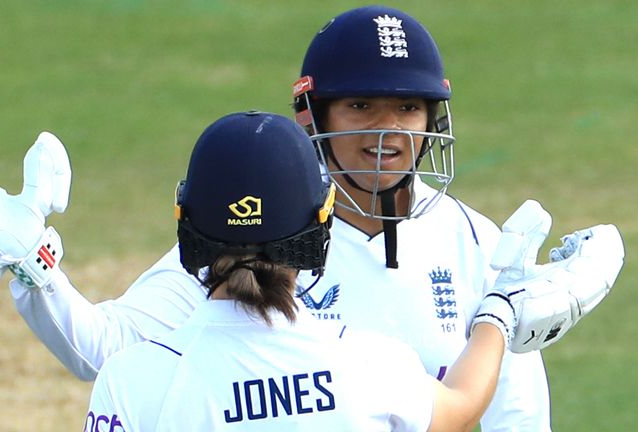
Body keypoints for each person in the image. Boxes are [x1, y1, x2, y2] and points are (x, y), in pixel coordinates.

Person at [0, 6, 625, 432]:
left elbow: (516, 415)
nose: (389, 132)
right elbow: (105, 345)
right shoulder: (254, 240)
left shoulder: (483, 246)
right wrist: (35, 270)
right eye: (361, 108)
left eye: (408, 110)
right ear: (310, 116)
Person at [84, 110, 519, 431]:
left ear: (188, 222)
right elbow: (460, 408)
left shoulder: (134, 377)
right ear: (319, 225)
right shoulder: (372, 363)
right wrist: (499, 311)